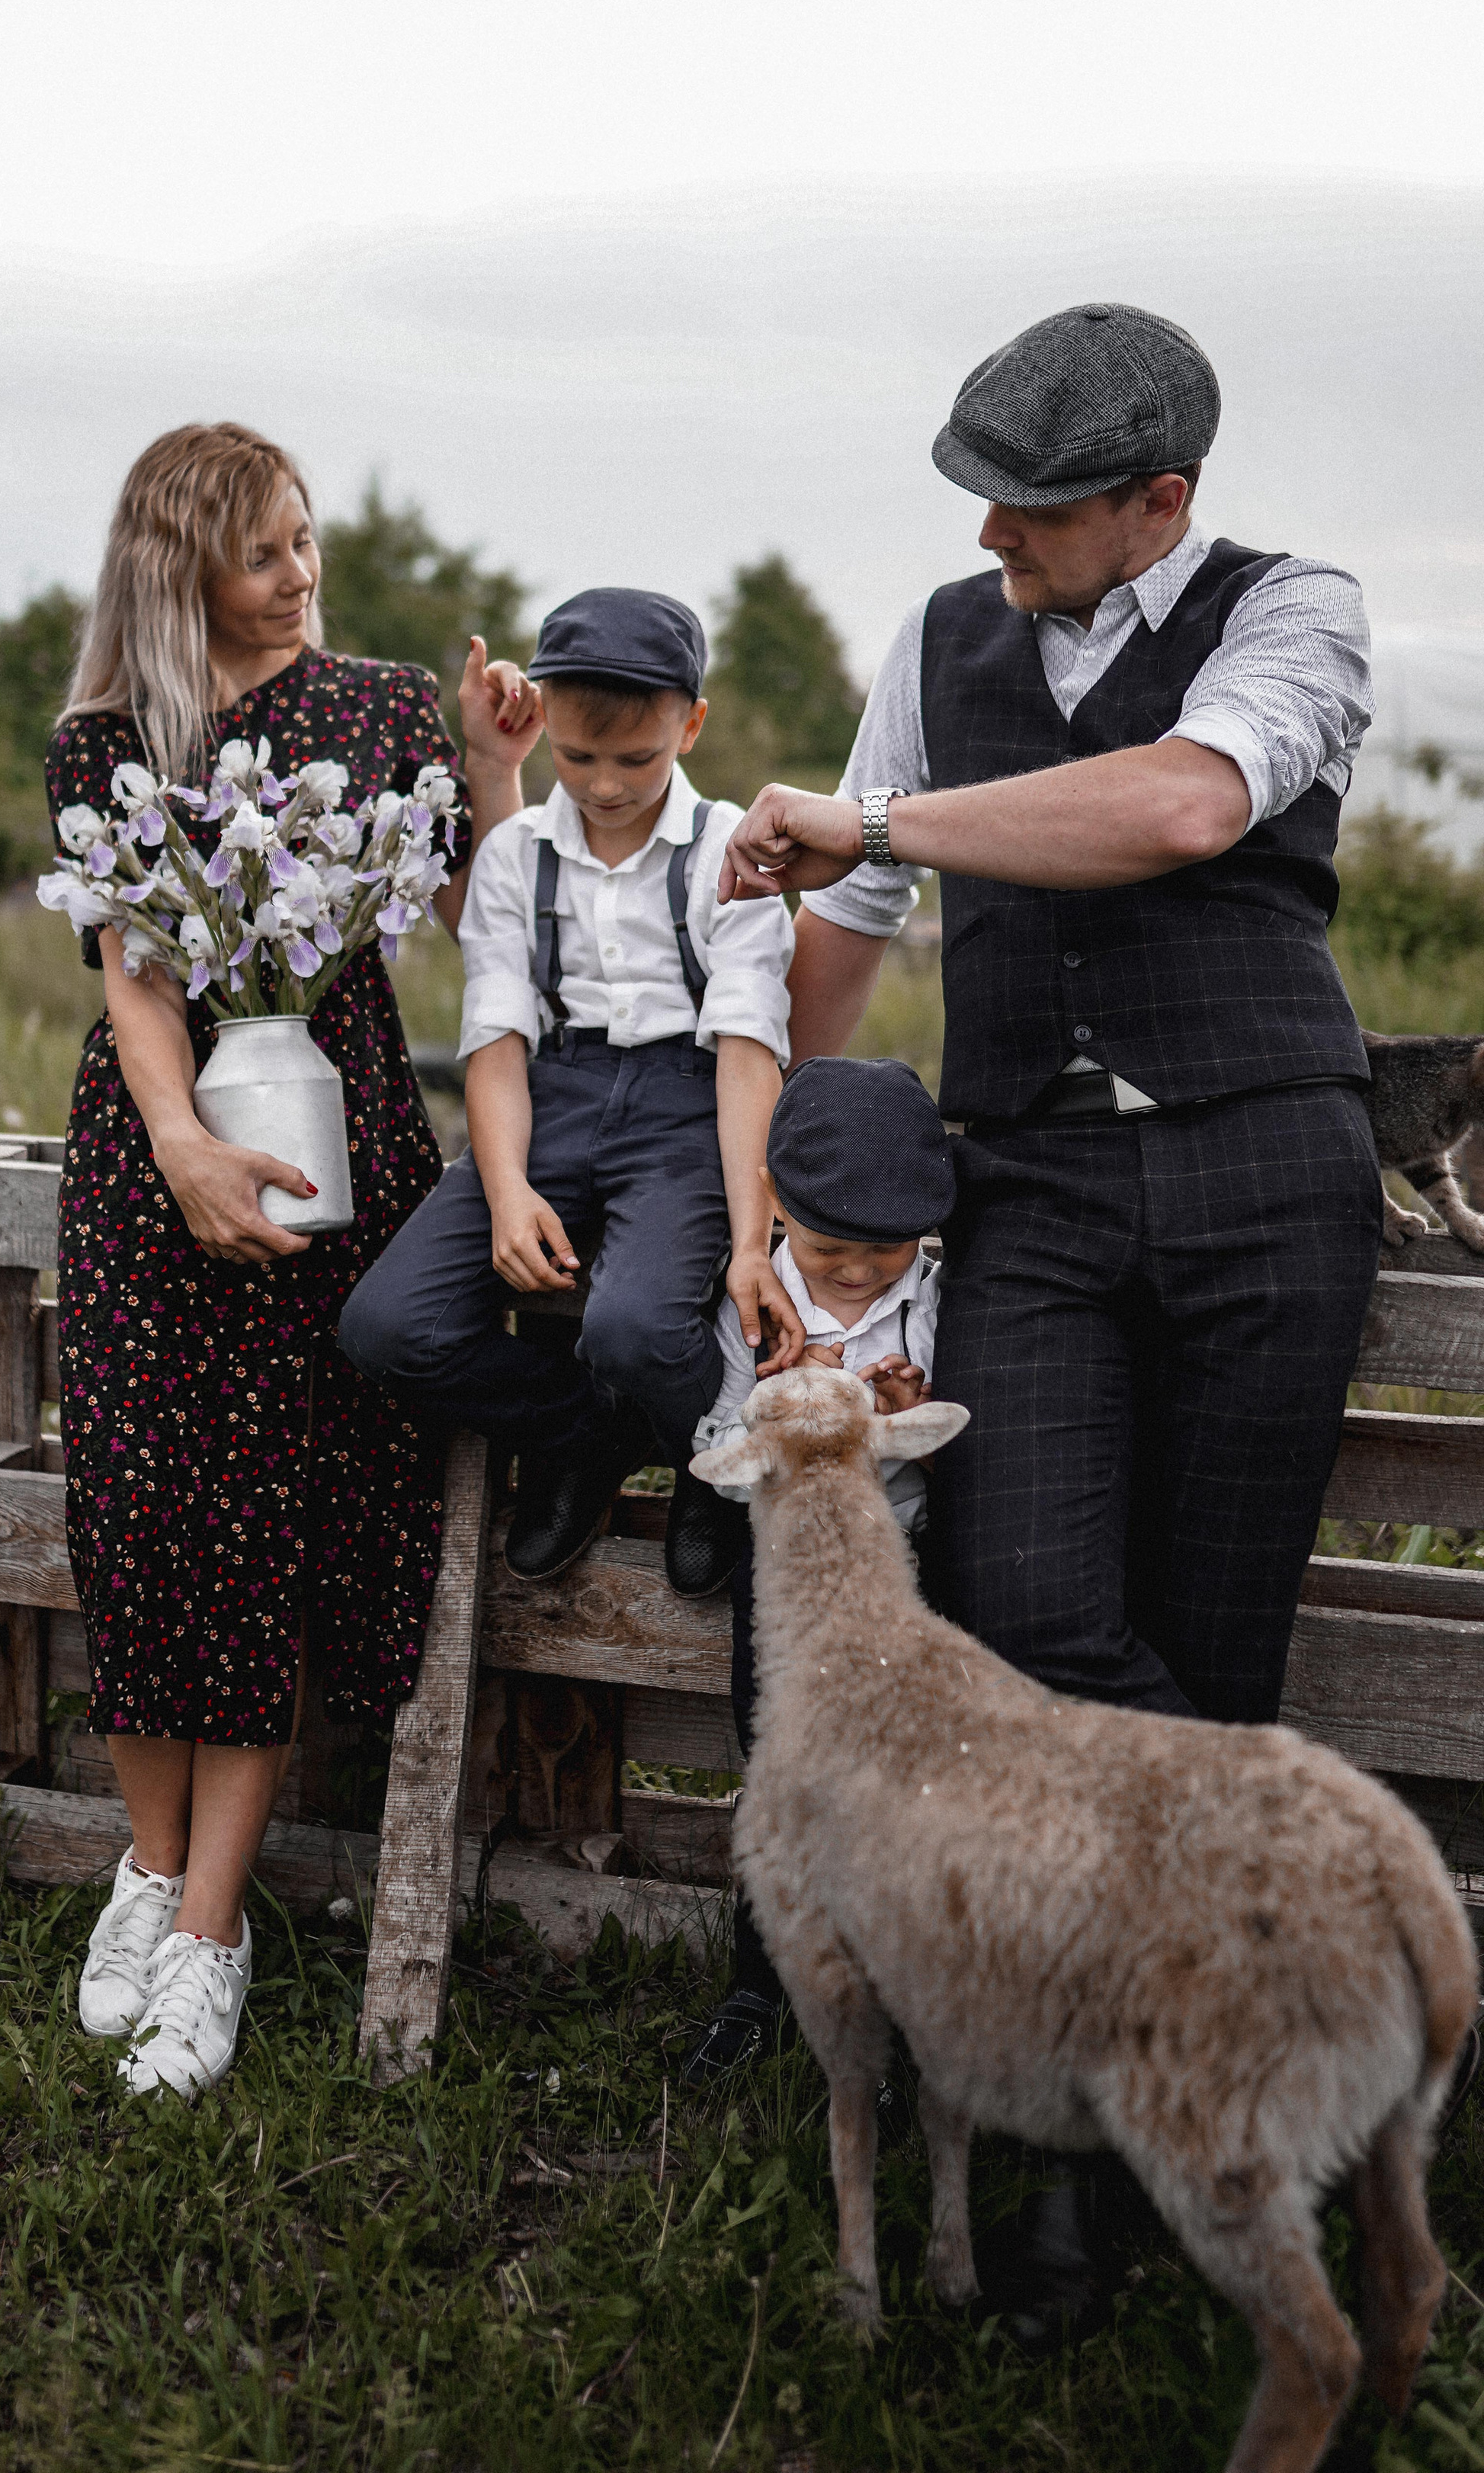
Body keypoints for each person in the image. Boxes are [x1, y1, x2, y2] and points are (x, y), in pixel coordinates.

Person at [719, 301, 1385, 2327]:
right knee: (1026, 1601)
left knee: (1212, 1633)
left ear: (1158, 503)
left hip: (1270, 1172)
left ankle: (1115, 2171)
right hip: (1038, 1192)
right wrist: (762, 1162)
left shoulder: (1300, 615)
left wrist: (880, 831)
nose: (993, 546)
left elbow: (1184, 809)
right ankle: (1315, 1958)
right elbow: (837, 926)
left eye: (1030, 513)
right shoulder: (937, 648)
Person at [46, 421, 540, 2100]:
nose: (300, 574)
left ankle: (207, 1932)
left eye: (306, 540)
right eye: (264, 552)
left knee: (257, 1523)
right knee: (130, 1512)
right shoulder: (103, 737)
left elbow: (494, 923)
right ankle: (141, 1865)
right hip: (148, 1155)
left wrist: (486, 773)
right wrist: (179, 1144)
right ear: (179, 565)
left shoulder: (384, 705)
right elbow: (133, 971)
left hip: (329, 1146)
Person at [340, 587, 798, 1599]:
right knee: (386, 1328)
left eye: (636, 759)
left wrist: (751, 1242)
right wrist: (505, 1188)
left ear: (692, 722)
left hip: (690, 1095)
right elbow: (497, 1036)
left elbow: (750, 1052)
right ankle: (588, 1434)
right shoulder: (514, 855)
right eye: (577, 757)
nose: (603, 785)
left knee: (635, 1327)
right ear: (543, 719)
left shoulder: (731, 851)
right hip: (556, 1093)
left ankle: (712, 1464)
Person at [681, 1056, 955, 2080]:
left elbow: (954, 1432)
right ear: (780, 1212)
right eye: (829, 1245)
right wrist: (792, 1404)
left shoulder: (931, 1294)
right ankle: (760, 1984)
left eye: (884, 1250)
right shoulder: (754, 1304)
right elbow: (715, 1448)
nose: (854, 1273)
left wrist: (896, 1405)